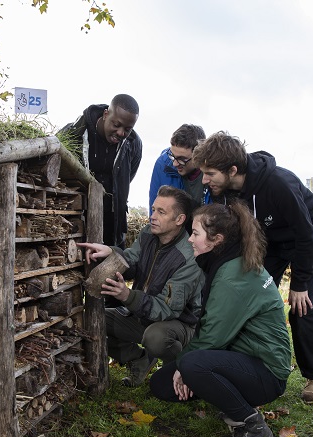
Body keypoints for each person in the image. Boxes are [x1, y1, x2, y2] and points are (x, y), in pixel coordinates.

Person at [193, 131, 313, 404]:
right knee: (246, 297)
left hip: (310, 237)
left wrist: (300, 283)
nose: (204, 180)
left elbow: (306, 233)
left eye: (210, 173)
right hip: (270, 242)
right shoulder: (223, 192)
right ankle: (243, 364)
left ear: (232, 170)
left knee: (303, 307)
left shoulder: (279, 183)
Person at [149, 202, 291, 437]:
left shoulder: (231, 275)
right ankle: (228, 397)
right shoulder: (226, 262)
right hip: (244, 356)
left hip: (267, 371)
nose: (189, 239)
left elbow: (213, 335)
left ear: (217, 240)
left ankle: (252, 426)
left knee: (192, 364)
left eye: (195, 233)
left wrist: (185, 367)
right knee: (162, 384)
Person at [77, 186, 202, 387]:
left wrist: (128, 296)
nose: (152, 216)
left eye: (161, 212)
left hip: (178, 324)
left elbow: (167, 309)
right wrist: (110, 252)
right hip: (142, 314)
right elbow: (131, 262)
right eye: (153, 209)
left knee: (156, 338)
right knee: (90, 320)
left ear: (179, 220)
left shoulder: (188, 258)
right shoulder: (148, 234)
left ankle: (180, 369)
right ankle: (138, 359)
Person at [59, 94, 142, 248]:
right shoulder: (74, 133)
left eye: (128, 129)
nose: (121, 133)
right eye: (116, 125)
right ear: (106, 114)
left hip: (113, 226)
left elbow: (127, 178)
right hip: (76, 219)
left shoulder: (133, 144)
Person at [148, 124, 209, 216]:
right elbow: (154, 211)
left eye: (182, 159)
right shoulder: (162, 164)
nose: (174, 164)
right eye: (172, 156)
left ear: (199, 155)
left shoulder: (212, 170)